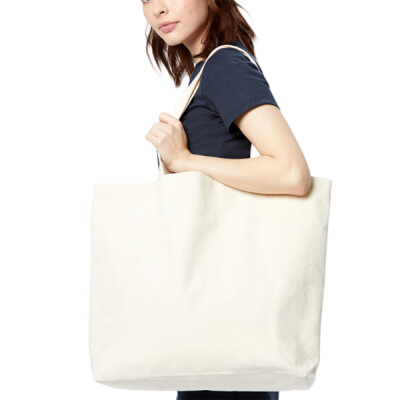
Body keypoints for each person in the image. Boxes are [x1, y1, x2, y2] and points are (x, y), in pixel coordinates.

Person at [141, 1, 312, 400]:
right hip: (214, 303)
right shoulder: (208, 71)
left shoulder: (225, 66)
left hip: (223, 302)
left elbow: (291, 172)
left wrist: (184, 160)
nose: (158, 9)